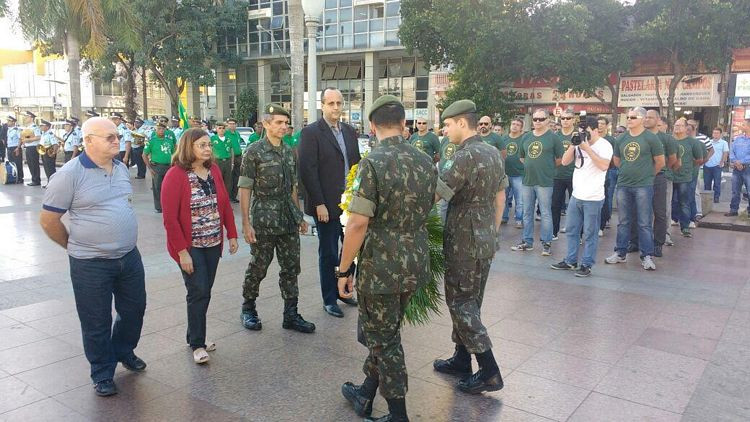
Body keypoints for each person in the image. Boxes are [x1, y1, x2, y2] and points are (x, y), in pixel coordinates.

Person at [338, 95, 437, 422]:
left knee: (384, 342)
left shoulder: (373, 163)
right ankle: (365, 393)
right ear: (404, 123)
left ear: (371, 126)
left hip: (381, 266)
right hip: (414, 263)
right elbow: (434, 199)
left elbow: (357, 222)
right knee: (387, 332)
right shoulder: (424, 160)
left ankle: (398, 415)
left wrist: (343, 269)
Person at [39, 116, 147, 397]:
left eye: (116, 136)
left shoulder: (121, 168)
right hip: (90, 264)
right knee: (95, 320)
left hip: (128, 257)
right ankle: (102, 371)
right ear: (88, 141)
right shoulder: (69, 175)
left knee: (134, 311)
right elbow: (49, 220)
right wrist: (76, 246)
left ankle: (124, 351)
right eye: (109, 137)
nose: (117, 140)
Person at [433, 99, 506, 395]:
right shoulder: (491, 152)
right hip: (485, 238)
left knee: (461, 302)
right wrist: (491, 231)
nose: (445, 131)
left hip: (464, 240)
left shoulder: (464, 156)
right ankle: (462, 358)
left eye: (448, 125)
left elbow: (437, 194)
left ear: (462, 123)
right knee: (471, 301)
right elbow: (500, 198)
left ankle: (489, 370)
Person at [161, 128, 239, 364]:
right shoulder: (175, 175)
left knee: (204, 290)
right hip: (190, 245)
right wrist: (182, 252)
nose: (207, 149)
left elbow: (224, 203)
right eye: (202, 145)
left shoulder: (213, 170)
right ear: (188, 147)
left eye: (209, 145)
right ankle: (197, 342)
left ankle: (195, 334)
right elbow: (170, 219)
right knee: (198, 291)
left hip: (213, 242)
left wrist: (232, 234)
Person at [238, 103, 315, 333]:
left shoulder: (287, 151)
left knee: (291, 267)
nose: (284, 127)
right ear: (266, 124)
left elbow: (292, 187)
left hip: (287, 219)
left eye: (286, 123)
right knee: (259, 266)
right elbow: (245, 188)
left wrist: (298, 214)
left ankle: (290, 314)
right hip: (263, 218)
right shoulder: (254, 151)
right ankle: (248, 308)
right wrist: (245, 223)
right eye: (279, 123)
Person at [299, 88, 362, 318]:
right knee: (328, 252)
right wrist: (318, 203)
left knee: (352, 249)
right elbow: (307, 170)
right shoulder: (311, 132)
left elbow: (356, 164)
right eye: (331, 103)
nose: (336, 107)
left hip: (351, 204)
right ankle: (329, 298)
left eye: (339, 103)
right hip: (325, 205)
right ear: (322, 105)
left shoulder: (349, 131)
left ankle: (344, 289)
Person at [550, 116, 613, 277]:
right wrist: (574, 144)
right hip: (576, 195)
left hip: (593, 197)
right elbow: (564, 162)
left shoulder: (604, 145)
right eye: (582, 132)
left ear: (596, 130)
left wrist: (587, 148)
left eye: (587, 132)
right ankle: (571, 260)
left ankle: (586, 264)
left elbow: (603, 166)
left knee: (590, 232)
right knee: (571, 230)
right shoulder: (578, 143)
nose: (584, 135)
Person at [605, 107, 664, 270]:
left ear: (643, 119)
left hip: (643, 186)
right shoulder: (621, 138)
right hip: (623, 184)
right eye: (628, 117)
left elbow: (660, 162)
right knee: (623, 221)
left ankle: (647, 256)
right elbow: (617, 161)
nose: (629, 119)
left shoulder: (651, 138)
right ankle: (620, 252)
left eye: (633, 117)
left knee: (644, 222)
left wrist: (648, 175)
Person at [511, 109, 563, 255]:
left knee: (546, 213)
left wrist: (546, 168)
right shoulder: (526, 137)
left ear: (548, 120)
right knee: (527, 212)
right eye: (535, 119)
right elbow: (522, 157)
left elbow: (560, 159)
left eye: (541, 119)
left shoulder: (553, 138)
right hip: (527, 180)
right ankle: (527, 242)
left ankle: (546, 243)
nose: (538, 122)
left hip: (545, 182)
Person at [670, 118, 704, 239]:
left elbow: (699, 159)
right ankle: (672, 221)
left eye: (680, 126)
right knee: (671, 201)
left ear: (686, 128)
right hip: (670, 176)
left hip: (685, 177)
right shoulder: (670, 140)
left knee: (684, 202)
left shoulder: (692, 142)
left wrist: (689, 165)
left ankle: (685, 227)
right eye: (675, 125)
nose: (677, 128)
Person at [552, 109, 576, 240]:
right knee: (554, 205)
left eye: (568, 118)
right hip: (557, 176)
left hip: (575, 175)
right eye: (563, 118)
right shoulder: (555, 136)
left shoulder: (579, 135)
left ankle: (576, 234)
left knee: (575, 208)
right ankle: (553, 232)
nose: (565, 121)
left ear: (573, 120)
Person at [143, 122, 175, 213]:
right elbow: (144, 155)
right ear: (156, 130)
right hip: (156, 166)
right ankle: (159, 207)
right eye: (159, 129)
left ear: (165, 130)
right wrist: (149, 168)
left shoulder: (169, 141)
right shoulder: (151, 141)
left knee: (169, 187)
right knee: (157, 187)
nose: (161, 131)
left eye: (163, 129)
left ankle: (168, 205)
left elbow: (173, 153)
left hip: (168, 166)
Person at [500, 118, 525, 228]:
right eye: (513, 124)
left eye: (517, 125)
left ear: (521, 128)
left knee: (520, 200)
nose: (514, 126)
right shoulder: (504, 139)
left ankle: (519, 219)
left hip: (519, 174)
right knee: (503, 198)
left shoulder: (523, 139)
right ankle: (504, 217)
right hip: (505, 173)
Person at [686, 119, 713, 222]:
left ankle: (698, 212)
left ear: (696, 126)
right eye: (687, 125)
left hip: (696, 168)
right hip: (685, 169)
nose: (689, 127)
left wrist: (703, 161)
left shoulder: (703, 138)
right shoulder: (684, 137)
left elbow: (711, 150)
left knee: (695, 190)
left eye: (691, 125)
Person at [724, 119, 750, 217]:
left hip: (748, 168)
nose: (741, 126)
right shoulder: (738, 139)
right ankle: (733, 209)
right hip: (736, 168)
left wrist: (742, 162)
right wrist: (735, 161)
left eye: (743, 125)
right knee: (735, 190)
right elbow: (732, 151)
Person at [598, 117, 617, 236]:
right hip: (594, 173)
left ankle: (604, 222)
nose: (599, 126)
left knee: (606, 198)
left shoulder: (611, 140)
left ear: (607, 125)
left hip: (608, 172)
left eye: (602, 123)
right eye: (598, 123)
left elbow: (615, 158)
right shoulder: (591, 138)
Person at [703, 127, 729, 203]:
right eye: (714, 133)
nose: (715, 135)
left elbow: (725, 153)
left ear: (721, 134)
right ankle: (707, 198)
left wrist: (721, 162)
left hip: (717, 166)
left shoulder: (724, 143)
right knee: (707, 183)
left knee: (717, 183)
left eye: (717, 133)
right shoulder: (709, 142)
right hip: (707, 165)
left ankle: (716, 198)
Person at [226, 118, 244, 203]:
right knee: (230, 178)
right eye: (230, 124)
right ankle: (228, 196)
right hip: (230, 158)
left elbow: (239, 144)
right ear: (227, 125)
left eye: (233, 124)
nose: (232, 125)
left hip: (238, 157)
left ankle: (234, 196)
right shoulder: (225, 134)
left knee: (237, 178)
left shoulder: (237, 134)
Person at [22, 111, 43, 186]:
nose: (25, 118)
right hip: (28, 147)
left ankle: (36, 180)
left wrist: (28, 140)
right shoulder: (27, 127)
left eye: (27, 117)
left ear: (31, 118)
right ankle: (33, 179)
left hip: (33, 147)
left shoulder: (35, 127)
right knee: (30, 164)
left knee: (34, 164)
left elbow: (38, 137)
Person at [211, 122, 233, 188]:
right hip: (217, 161)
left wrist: (232, 163)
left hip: (227, 161)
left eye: (223, 128)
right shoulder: (212, 138)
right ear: (216, 129)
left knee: (228, 181)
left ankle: (227, 197)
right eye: (219, 128)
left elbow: (232, 151)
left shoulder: (228, 139)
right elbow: (210, 150)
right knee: (217, 180)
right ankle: (219, 197)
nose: (221, 129)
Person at [38, 119, 58, 184]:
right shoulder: (44, 134)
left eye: (42, 126)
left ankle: (53, 183)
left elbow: (55, 144)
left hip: (49, 153)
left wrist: (54, 153)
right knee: (46, 169)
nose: (41, 127)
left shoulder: (50, 134)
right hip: (44, 152)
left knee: (50, 169)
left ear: (47, 127)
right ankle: (49, 182)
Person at [5, 115, 23, 183]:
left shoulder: (17, 130)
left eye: (9, 121)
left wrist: (18, 148)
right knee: (11, 163)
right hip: (9, 148)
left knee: (18, 163)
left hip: (15, 148)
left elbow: (20, 139)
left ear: (13, 122)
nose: (7, 122)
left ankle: (20, 178)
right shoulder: (9, 130)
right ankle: (14, 177)